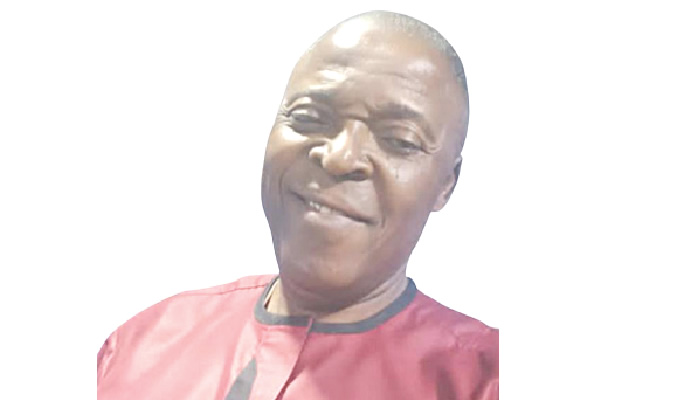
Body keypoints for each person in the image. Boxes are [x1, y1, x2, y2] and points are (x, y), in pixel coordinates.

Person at [97, 10, 498, 400]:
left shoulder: (487, 380)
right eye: (309, 117)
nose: (339, 157)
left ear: (446, 185)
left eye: (399, 140)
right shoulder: (140, 345)